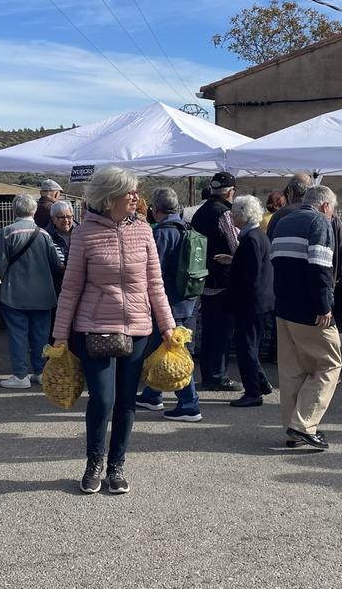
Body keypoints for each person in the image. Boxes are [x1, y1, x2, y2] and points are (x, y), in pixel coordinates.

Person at [53, 166, 175, 494]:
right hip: (95, 329)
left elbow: (155, 284)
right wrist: (60, 335)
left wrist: (168, 326)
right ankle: (94, 461)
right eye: (129, 192)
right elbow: (71, 287)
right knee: (103, 400)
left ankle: (116, 465)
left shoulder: (145, 231)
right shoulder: (84, 233)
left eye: (136, 191)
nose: (136, 197)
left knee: (126, 401)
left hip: (138, 329)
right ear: (109, 198)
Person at [271, 185, 342, 450]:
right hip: (310, 310)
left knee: (291, 371)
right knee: (329, 365)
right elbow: (321, 269)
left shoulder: (282, 222)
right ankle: (303, 426)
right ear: (325, 206)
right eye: (333, 209)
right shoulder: (320, 223)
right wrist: (325, 307)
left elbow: (275, 265)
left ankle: (292, 430)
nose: (333, 215)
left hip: (284, 308)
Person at [135, 187, 202, 422]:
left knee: (174, 352)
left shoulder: (162, 233)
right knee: (162, 349)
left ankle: (189, 403)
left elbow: (154, 272)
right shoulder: (187, 228)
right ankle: (152, 394)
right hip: (186, 299)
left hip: (168, 302)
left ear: (156, 209)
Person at [0, 193, 63, 389]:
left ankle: (20, 374)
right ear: (33, 210)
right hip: (44, 294)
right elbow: (56, 264)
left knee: (17, 335)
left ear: (14, 210)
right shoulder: (45, 235)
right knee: (41, 335)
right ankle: (40, 371)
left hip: (14, 293)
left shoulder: (6, 233)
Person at [191, 172, 241, 391]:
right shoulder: (224, 214)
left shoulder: (199, 213)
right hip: (223, 281)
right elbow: (235, 245)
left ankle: (208, 374)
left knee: (209, 329)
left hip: (203, 277)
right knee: (222, 331)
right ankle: (217, 376)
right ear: (230, 192)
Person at [226, 195, 275, 407]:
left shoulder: (251, 239)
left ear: (243, 217)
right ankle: (260, 383)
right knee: (249, 345)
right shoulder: (258, 236)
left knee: (246, 347)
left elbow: (251, 275)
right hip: (259, 301)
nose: (232, 218)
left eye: (235, 214)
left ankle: (253, 392)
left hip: (252, 303)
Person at [267, 171, 342, 282]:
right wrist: (337, 277)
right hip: (322, 280)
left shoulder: (279, 216)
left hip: (286, 282)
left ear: (291, 191)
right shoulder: (330, 216)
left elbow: (269, 248)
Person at [46, 199, 76, 288]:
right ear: (53, 219)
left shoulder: (80, 233)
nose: (66, 220)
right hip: (56, 284)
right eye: (61, 217)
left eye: (69, 217)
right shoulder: (46, 236)